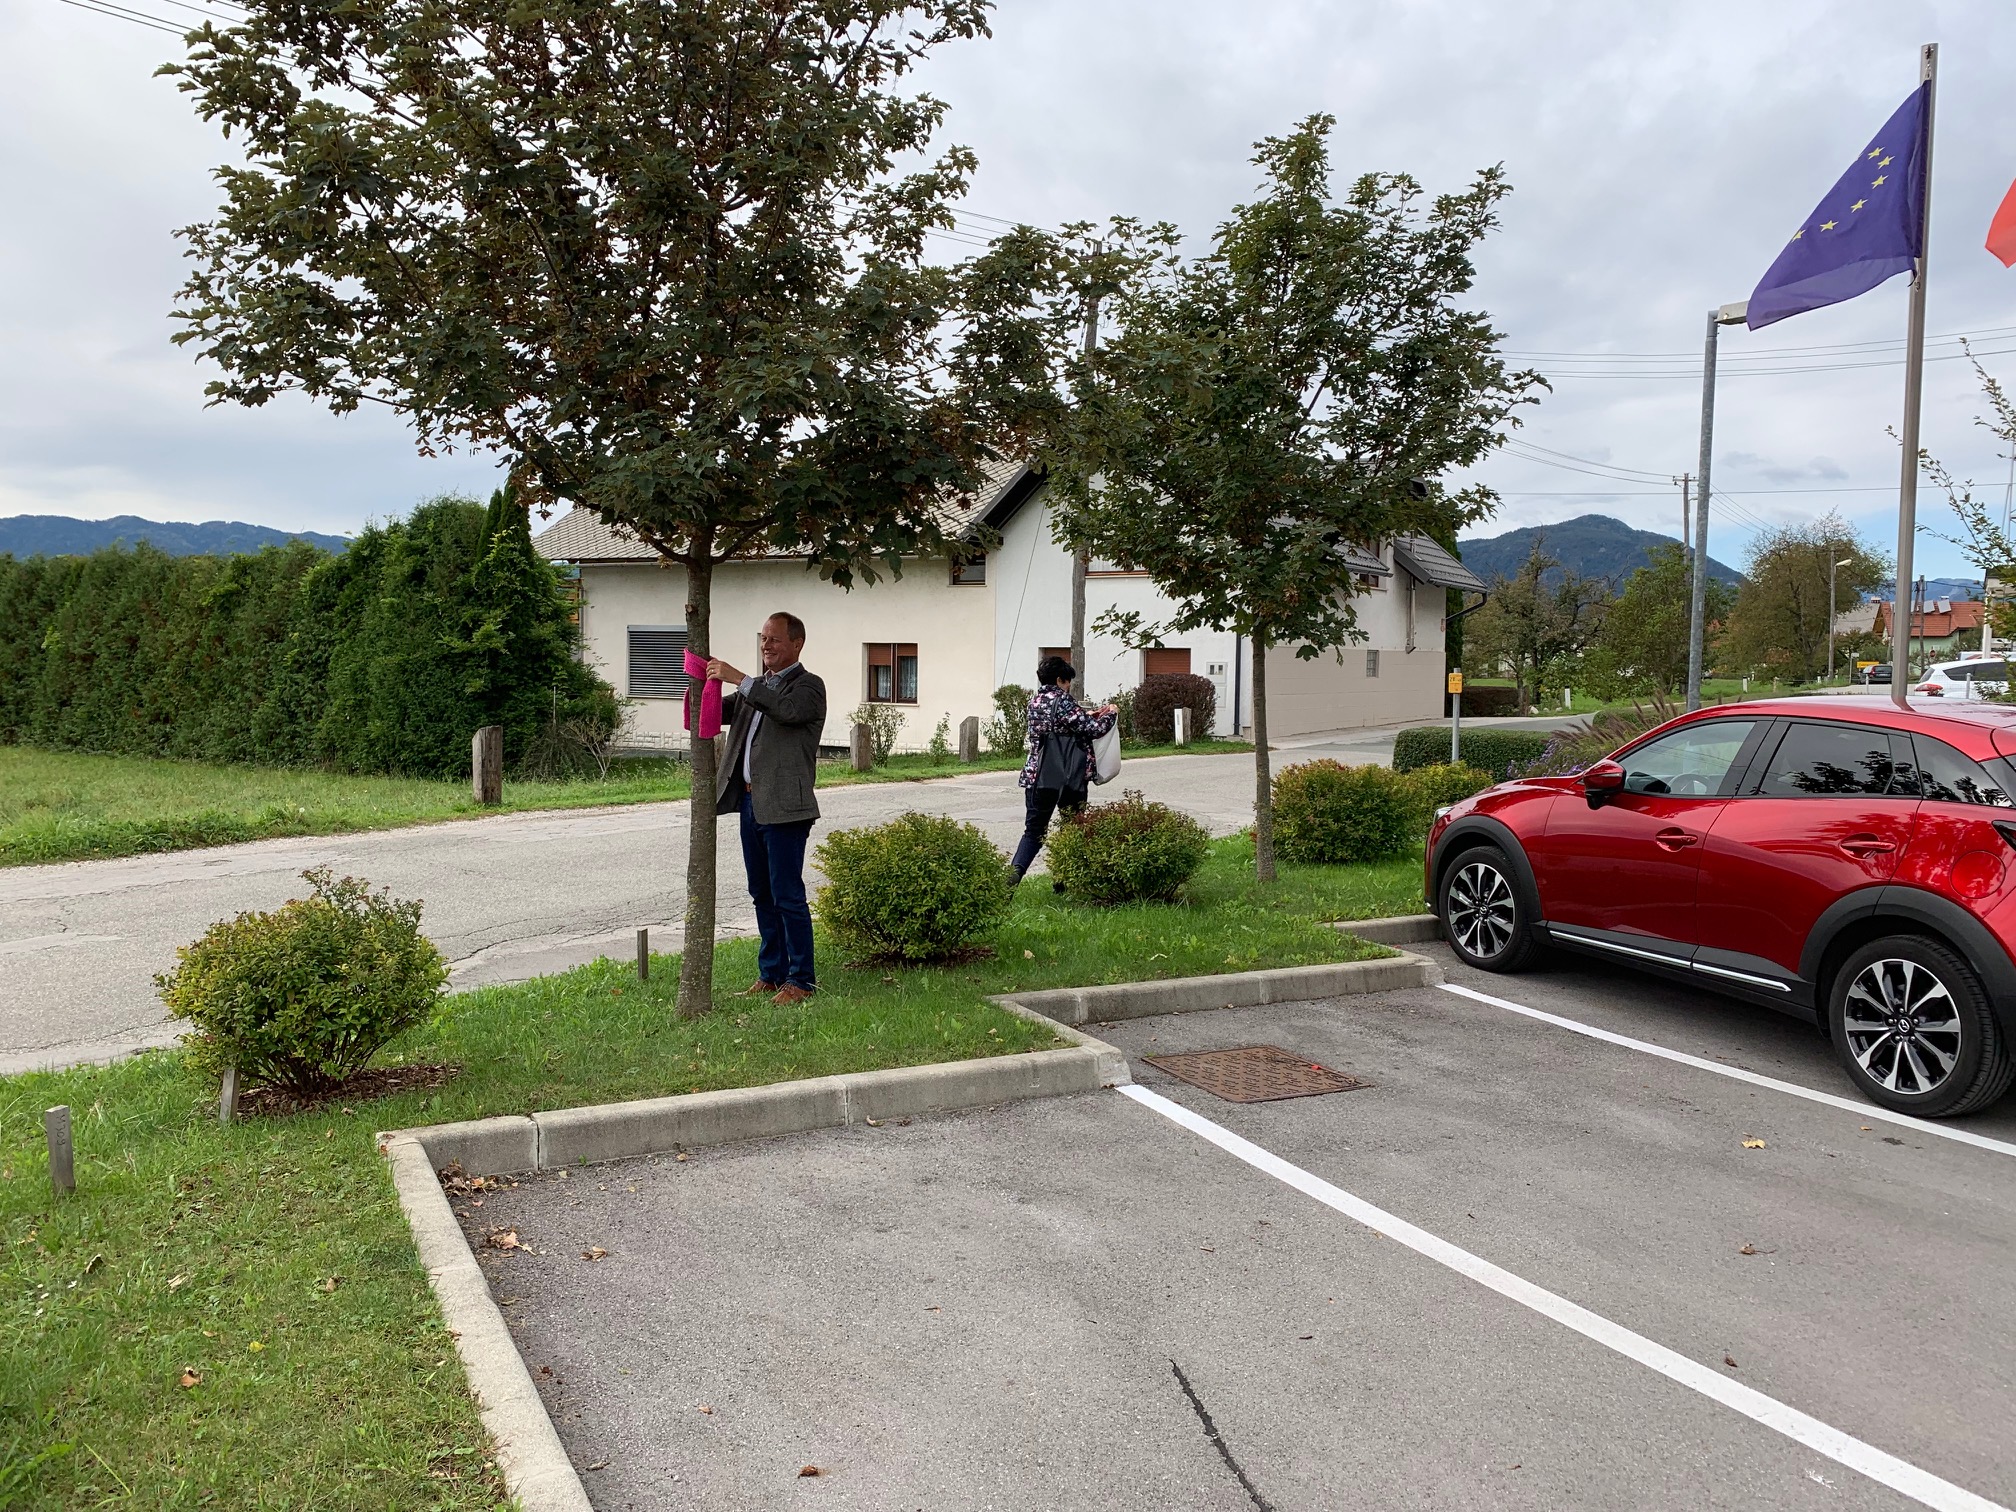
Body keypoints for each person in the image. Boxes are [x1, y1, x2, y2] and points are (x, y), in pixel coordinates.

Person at [709, 613, 827, 1005]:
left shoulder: (808, 687)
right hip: (750, 802)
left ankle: (801, 980)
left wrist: (739, 678)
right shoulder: (757, 689)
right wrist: (699, 682)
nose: (766, 646)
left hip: (786, 808)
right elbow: (715, 713)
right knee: (761, 891)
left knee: (786, 894)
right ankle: (772, 973)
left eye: (774, 639)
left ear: (797, 643)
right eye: (763, 639)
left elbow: (786, 711)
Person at [1010, 655, 1117, 886]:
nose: (1068, 686)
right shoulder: (1065, 701)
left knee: (1033, 832)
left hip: (1037, 775)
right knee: (1072, 828)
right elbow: (1094, 730)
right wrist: (1111, 714)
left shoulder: (1034, 702)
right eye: (1067, 681)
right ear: (1060, 680)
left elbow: (1060, 725)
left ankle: (1014, 874)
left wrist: (1088, 715)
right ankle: (1062, 883)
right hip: (1068, 776)